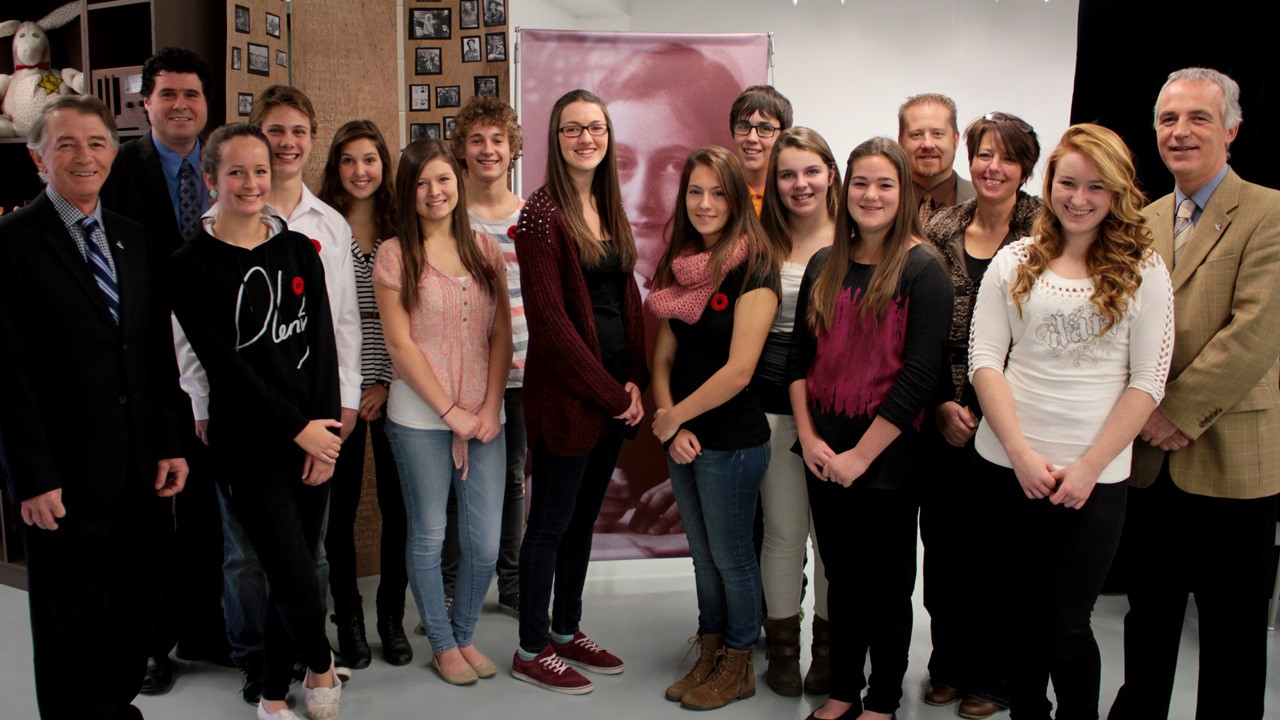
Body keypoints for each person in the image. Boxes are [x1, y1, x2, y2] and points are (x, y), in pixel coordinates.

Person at [970, 123, 1173, 719]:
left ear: (1116, 194)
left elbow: (1148, 380)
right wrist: (1022, 456)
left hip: (1095, 478)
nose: (1079, 199)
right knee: (1019, 616)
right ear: (1049, 184)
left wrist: (1087, 468)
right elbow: (986, 360)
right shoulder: (1014, 261)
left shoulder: (1145, 269)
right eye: (1067, 183)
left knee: (1066, 623)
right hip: (1008, 467)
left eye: (1095, 187)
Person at [0, 95, 187, 720]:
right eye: (66, 145)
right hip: (60, 474)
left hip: (137, 464)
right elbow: (8, 374)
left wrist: (168, 440)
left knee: (130, 604)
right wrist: (32, 476)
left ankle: (114, 704)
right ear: (37, 159)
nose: (85, 156)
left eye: (97, 143)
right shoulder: (11, 243)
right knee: (66, 614)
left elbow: (154, 351)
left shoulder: (131, 237)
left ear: (113, 152)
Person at [174, 85, 363, 704]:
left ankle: (279, 692)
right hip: (248, 438)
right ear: (211, 181)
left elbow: (327, 341)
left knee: (303, 565)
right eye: (236, 172)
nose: (252, 182)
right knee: (279, 565)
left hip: (315, 433)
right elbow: (224, 364)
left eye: (259, 170)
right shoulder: (189, 265)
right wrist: (297, 428)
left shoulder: (299, 247)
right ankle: (320, 664)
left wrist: (325, 429)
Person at [1109, 67, 1280, 720]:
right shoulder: (1141, 221)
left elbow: (1255, 334)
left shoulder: (1269, 213)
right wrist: (1139, 417)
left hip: (1232, 458)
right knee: (1147, 614)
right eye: (1167, 119)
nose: (1179, 132)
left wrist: (1169, 414)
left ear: (1232, 129)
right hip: (1152, 469)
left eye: (1197, 118)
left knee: (1231, 630)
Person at [791, 137, 953, 720]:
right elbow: (798, 362)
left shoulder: (923, 269)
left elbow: (920, 376)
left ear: (904, 192)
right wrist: (809, 439)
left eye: (885, 184)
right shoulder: (823, 264)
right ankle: (843, 692)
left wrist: (860, 456)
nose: (871, 195)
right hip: (822, 453)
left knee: (885, 586)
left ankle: (882, 700)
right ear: (845, 188)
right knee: (843, 581)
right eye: (861, 182)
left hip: (888, 460)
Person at [99, 46, 230, 692]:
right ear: (144, 101)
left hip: (212, 364)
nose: (181, 105)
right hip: (146, 366)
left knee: (208, 507)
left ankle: (206, 627)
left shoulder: (226, 166)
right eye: (168, 94)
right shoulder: (120, 169)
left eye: (193, 95)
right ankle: (149, 644)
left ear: (208, 105)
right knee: (149, 514)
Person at [511, 89, 647, 695]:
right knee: (549, 524)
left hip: (615, 394)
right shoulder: (543, 215)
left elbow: (627, 299)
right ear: (555, 138)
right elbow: (550, 324)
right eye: (572, 129)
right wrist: (611, 394)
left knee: (583, 521)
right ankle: (530, 646)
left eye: (595, 127)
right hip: (569, 398)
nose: (586, 138)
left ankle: (566, 630)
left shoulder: (607, 205)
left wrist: (636, 380)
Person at [374, 138, 512, 687]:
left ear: (458, 183)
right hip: (419, 418)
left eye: (444, 180)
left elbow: (500, 331)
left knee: (484, 542)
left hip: (484, 416)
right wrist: (449, 410)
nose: (435, 192)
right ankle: (441, 640)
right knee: (429, 534)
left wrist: (492, 404)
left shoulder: (484, 247)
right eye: (422, 183)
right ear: (408, 193)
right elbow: (399, 344)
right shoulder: (394, 253)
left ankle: (463, 631)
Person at [918, 110, 1041, 719]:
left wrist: (996, 414)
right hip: (946, 415)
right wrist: (940, 400)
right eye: (983, 154)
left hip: (1019, 419)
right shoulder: (940, 227)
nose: (993, 167)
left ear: (1026, 166)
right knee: (945, 553)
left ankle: (996, 678)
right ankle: (949, 666)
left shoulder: (1046, 228)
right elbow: (922, 329)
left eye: (1007, 157)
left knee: (1003, 557)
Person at [649, 146, 779, 711]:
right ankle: (709, 650)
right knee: (703, 558)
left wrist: (678, 415)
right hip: (684, 439)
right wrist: (669, 426)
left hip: (733, 442)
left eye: (718, 192)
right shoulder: (681, 265)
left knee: (732, 558)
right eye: (695, 192)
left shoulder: (756, 265)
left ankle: (739, 662)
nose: (705, 204)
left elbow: (740, 370)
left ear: (738, 199)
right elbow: (661, 362)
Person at [317, 119, 413, 668]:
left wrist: (385, 381)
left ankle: (391, 619)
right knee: (343, 509)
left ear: (384, 166)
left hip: (398, 384)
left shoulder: (403, 230)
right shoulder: (322, 228)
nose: (360, 171)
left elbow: (418, 318)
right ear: (337, 167)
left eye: (370, 159)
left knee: (399, 510)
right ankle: (348, 617)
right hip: (339, 392)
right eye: (349, 160)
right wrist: (355, 388)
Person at [754, 127, 839, 697]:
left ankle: (830, 653)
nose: (799, 184)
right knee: (783, 532)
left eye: (810, 171)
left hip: (837, 411)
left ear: (831, 173)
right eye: (787, 174)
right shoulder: (758, 243)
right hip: (767, 404)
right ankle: (783, 651)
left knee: (831, 539)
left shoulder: (860, 237)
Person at [441, 96, 527, 616]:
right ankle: (451, 584)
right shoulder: (450, 216)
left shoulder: (532, 215)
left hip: (520, 370)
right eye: (477, 140)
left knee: (513, 479)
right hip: (460, 374)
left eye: (498, 140)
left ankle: (511, 582)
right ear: (463, 150)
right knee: (461, 479)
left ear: (512, 148)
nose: (488, 149)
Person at [898, 93, 975, 225]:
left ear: (955, 140)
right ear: (901, 142)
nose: (927, 144)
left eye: (937, 134)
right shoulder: (880, 201)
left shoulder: (981, 201)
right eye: (916, 135)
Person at [729, 85, 793, 214]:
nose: (752, 138)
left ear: (782, 136)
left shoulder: (793, 195)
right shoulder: (721, 193)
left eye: (765, 129)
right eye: (743, 126)